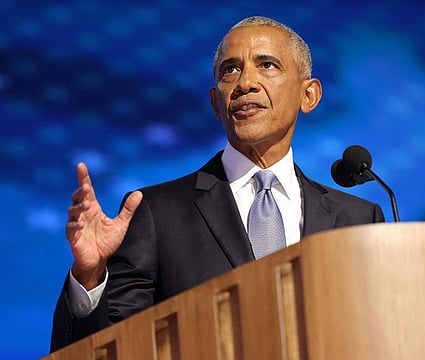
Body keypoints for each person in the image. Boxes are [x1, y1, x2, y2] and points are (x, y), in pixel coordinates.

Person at [50, 16, 384, 352]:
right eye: (231, 70)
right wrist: (89, 278)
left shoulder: (357, 220)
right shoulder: (157, 213)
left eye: (266, 65)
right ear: (215, 103)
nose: (245, 83)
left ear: (308, 95)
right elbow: (111, 347)